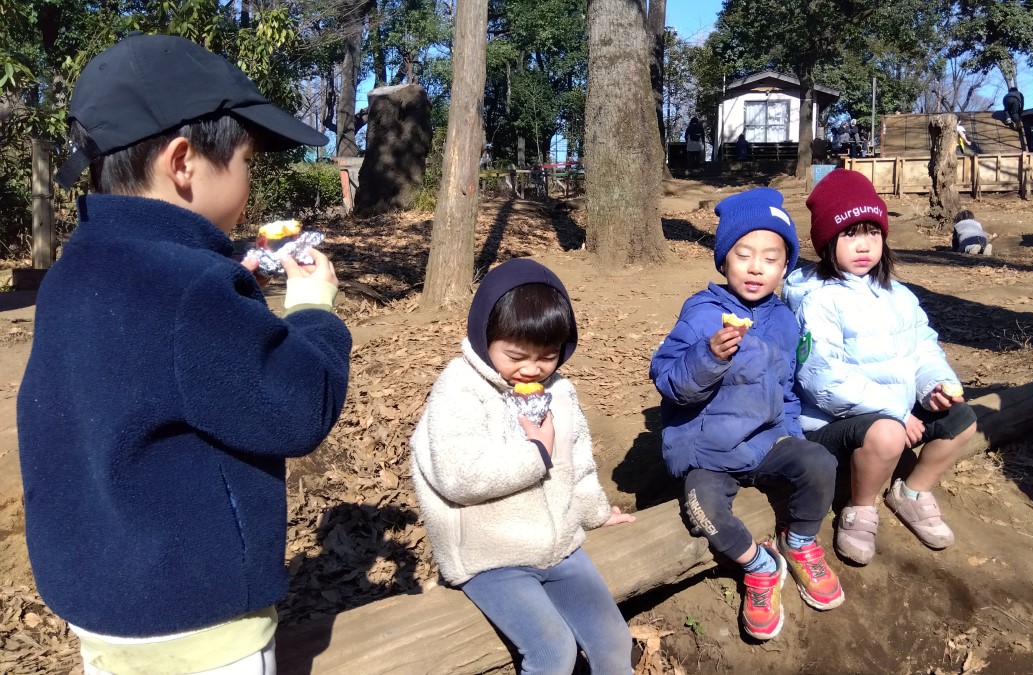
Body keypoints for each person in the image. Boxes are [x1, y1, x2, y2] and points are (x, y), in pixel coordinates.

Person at [17, 34, 352, 674]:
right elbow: (296, 407)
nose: (251, 180)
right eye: (248, 161)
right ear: (182, 162)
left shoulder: (76, 270)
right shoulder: (192, 288)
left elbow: (159, 363)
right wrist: (311, 311)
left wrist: (235, 300)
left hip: (102, 605)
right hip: (196, 616)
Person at [411, 258, 636, 674]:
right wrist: (536, 453)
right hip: (491, 557)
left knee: (615, 642)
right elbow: (458, 477)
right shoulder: (460, 389)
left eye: (548, 356)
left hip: (559, 547)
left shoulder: (560, 391)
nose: (532, 369)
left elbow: (579, 463)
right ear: (484, 337)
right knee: (553, 651)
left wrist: (596, 514)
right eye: (516, 355)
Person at [650, 187, 844, 642]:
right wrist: (709, 356)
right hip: (710, 451)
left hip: (764, 443)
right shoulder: (703, 314)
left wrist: (791, 436)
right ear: (724, 260)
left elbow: (788, 389)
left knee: (820, 463)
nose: (756, 267)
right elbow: (667, 380)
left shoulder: (784, 320)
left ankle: (798, 543)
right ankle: (759, 566)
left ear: (785, 267)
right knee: (701, 504)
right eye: (744, 254)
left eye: (771, 258)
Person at [782, 169, 977, 567]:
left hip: (894, 408)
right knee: (888, 434)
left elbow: (923, 346)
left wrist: (936, 385)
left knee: (963, 420)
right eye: (850, 234)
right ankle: (860, 507)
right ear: (827, 242)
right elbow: (822, 377)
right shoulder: (818, 300)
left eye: (872, 232)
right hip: (831, 422)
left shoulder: (897, 295)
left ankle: (912, 491)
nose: (863, 245)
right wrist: (894, 410)